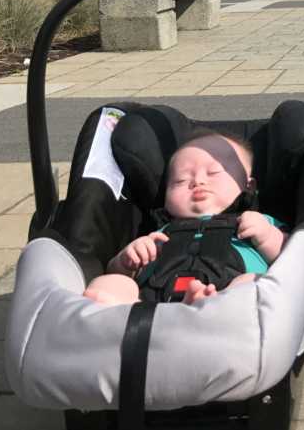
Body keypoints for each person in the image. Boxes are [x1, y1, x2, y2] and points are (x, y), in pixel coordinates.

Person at [83, 131, 288, 307]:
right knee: (111, 282)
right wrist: (125, 262)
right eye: (181, 180)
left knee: (253, 283)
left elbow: (296, 258)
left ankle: (211, 310)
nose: (198, 181)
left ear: (248, 186)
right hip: (152, 309)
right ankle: (119, 316)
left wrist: (269, 237)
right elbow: (116, 270)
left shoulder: (258, 223)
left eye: (213, 172)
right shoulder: (159, 234)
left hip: (227, 306)